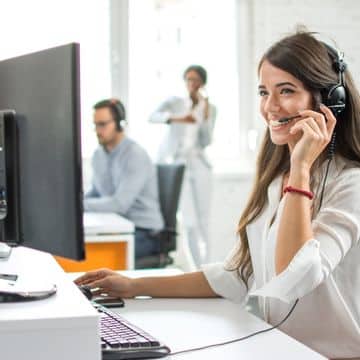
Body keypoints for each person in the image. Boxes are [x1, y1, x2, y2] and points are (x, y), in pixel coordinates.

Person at [76, 32, 360, 359]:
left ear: (331, 101)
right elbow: (236, 275)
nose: (270, 106)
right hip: (280, 349)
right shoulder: (275, 181)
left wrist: (300, 169)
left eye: (286, 91)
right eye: (264, 92)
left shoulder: (349, 183)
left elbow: (294, 277)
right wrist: (135, 286)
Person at [149, 65, 217, 267]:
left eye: (195, 80)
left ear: (202, 83)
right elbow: (152, 116)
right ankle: (197, 268)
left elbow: (206, 141)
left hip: (199, 163)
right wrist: (177, 118)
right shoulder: (175, 102)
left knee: (204, 220)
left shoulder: (209, 107)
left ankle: (209, 266)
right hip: (178, 164)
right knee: (189, 222)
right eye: (188, 79)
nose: (191, 83)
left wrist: (204, 116)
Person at [84, 98, 164, 268]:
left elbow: (119, 204)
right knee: (82, 249)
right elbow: (96, 193)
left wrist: (80, 205)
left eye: (103, 124)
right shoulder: (99, 155)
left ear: (120, 123)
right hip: (117, 226)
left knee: (92, 259)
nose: (98, 131)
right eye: (95, 125)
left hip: (144, 232)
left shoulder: (135, 155)